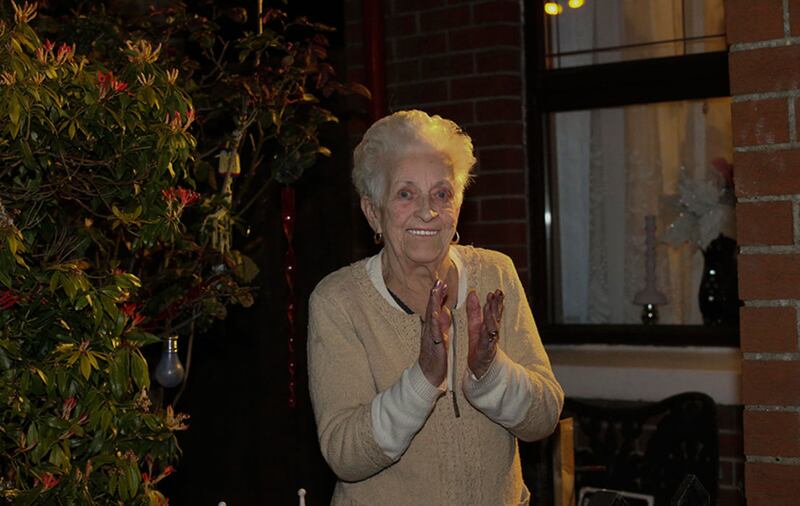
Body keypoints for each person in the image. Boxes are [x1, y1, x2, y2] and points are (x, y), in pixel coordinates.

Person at [307, 110, 564, 505]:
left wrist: (491, 373)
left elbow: (544, 417)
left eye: (442, 194)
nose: (427, 211)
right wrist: (423, 379)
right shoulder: (340, 301)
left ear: (457, 206)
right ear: (373, 211)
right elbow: (344, 454)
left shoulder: (496, 274)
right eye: (405, 194)